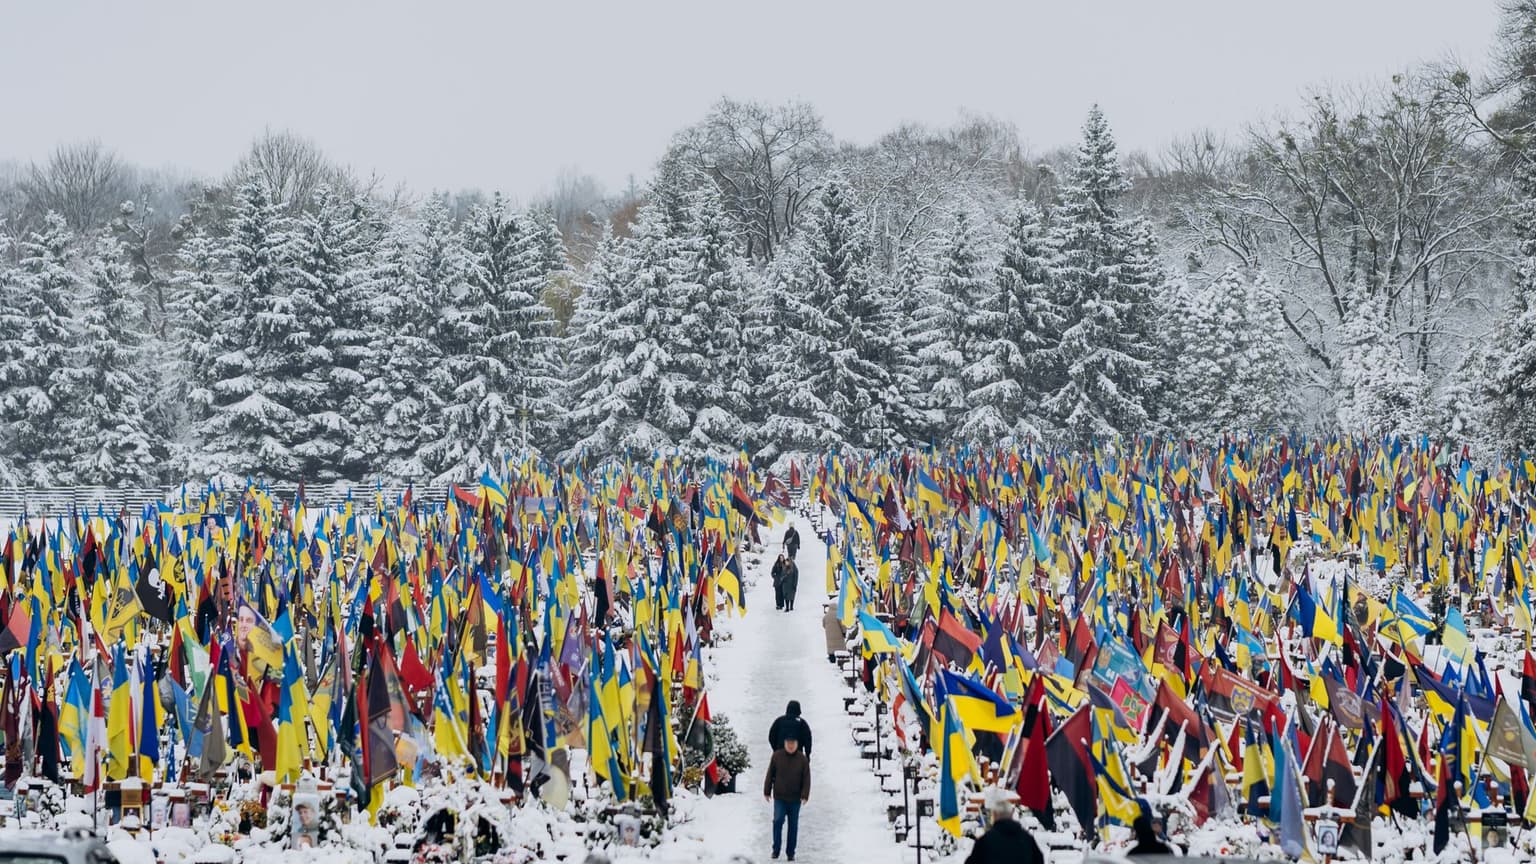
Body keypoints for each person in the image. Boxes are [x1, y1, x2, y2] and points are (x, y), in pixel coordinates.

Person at [964, 787, 1044, 864]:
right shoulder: (1027, 840)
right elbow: (1039, 860)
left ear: (994, 815)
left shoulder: (985, 841)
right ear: (1011, 814)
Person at [763, 733, 810, 861]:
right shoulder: (777, 756)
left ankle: (790, 852)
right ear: (784, 743)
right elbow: (770, 774)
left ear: (797, 744)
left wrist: (805, 795)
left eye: (793, 743)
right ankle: (776, 849)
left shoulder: (802, 759)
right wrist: (767, 790)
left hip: (795, 799)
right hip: (780, 797)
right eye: (788, 743)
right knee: (777, 821)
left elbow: (806, 778)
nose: (790, 746)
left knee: (793, 825)